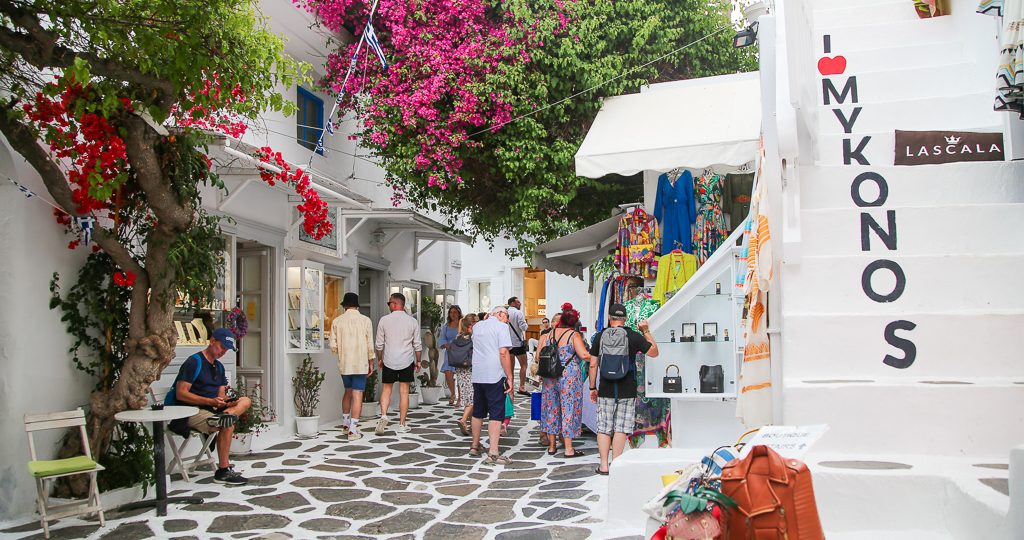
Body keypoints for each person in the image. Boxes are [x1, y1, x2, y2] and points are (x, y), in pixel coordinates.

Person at [172, 328, 252, 485]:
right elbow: (181, 394)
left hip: (212, 409)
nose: (223, 352)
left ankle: (225, 415)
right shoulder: (194, 362)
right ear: (212, 341)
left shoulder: (219, 367)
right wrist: (210, 402)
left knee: (245, 400)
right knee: (227, 423)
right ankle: (223, 470)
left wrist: (227, 402)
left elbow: (220, 396)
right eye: (222, 347)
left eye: (226, 350)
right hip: (191, 410)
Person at [588, 303, 659, 475]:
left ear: (609, 318)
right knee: (620, 427)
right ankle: (615, 465)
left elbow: (593, 364)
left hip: (606, 388)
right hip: (627, 388)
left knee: (604, 427)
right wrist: (646, 331)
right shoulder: (633, 336)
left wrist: (592, 387)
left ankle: (603, 465)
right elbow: (654, 352)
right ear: (625, 319)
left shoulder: (599, 336)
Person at [538, 305, 593, 457]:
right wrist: (597, 357)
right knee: (568, 408)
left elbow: (539, 356)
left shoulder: (549, 334)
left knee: (551, 408)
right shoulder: (573, 335)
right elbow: (584, 355)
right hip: (568, 376)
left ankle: (552, 446)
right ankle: (569, 448)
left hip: (550, 375)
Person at [470, 305, 515, 465]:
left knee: (478, 411)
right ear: (500, 314)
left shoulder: (477, 326)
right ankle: (493, 452)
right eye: (507, 316)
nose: (508, 320)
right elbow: (503, 352)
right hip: (494, 373)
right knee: (496, 413)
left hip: (478, 373)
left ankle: (475, 446)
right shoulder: (501, 327)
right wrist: (510, 376)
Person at [329, 292, 375, 441]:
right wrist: (371, 361)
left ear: (345, 306)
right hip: (360, 363)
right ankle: (353, 430)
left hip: (345, 364)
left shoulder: (337, 321)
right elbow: (370, 344)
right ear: (357, 306)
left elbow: (333, 345)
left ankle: (345, 424)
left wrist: (342, 352)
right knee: (357, 394)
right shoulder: (365, 321)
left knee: (347, 392)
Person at [375, 293, 422, 435]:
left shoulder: (384, 320)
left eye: (389, 303)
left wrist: (380, 358)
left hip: (389, 359)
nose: (388, 305)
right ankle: (402, 424)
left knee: (386, 389)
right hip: (406, 360)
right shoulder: (412, 321)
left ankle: (384, 415)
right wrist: (418, 361)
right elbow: (417, 344)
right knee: (404, 392)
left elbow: (379, 344)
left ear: (395, 304)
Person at [453, 314, 478, 435]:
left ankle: (472, 425)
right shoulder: (473, 338)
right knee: (474, 398)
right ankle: (463, 420)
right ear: (471, 325)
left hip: (460, 370)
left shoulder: (458, 337)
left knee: (467, 396)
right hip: (471, 369)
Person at [436, 305, 463, 406]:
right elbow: (442, 338)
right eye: (451, 312)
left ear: (459, 313)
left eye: (455, 312)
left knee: (460, 375)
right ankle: (453, 394)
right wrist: (445, 344)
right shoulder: (446, 326)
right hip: (449, 353)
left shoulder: (462, 324)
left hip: (461, 352)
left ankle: (460, 398)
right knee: (448, 373)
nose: (453, 314)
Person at [506, 297, 530, 396]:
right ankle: (522, 387)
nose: (520, 303)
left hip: (507, 343)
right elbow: (524, 327)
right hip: (517, 343)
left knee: (510, 368)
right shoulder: (518, 313)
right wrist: (526, 324)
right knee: (524, 365)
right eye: (518, 302)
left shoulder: (505, 312)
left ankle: (510, 387)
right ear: (512, 303)